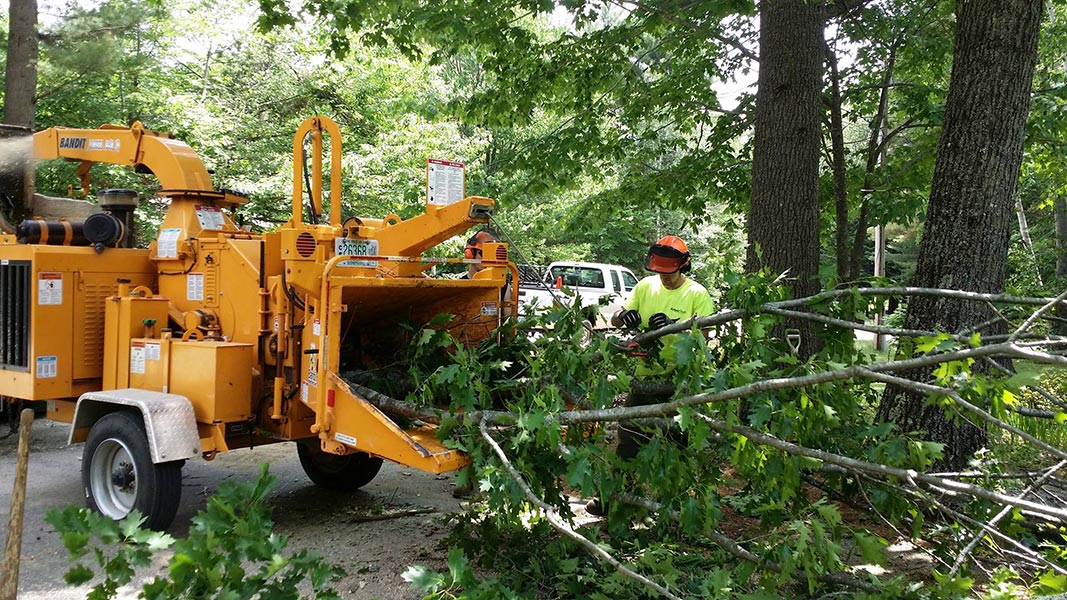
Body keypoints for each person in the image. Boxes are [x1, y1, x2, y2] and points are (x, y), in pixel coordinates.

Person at [587, 234, 715, 515]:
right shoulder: (645, 287)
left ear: (684, 266)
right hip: (644, 376)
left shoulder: (697, 294)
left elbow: (705, 336)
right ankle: (614, 499)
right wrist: (625, 317)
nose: (665, 278)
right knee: (628, 440)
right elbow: (618, 317)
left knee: (676, 446)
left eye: (670, 273)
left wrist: (676, 326)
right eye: (660, 272)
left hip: (679, 381)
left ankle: (676, 505)